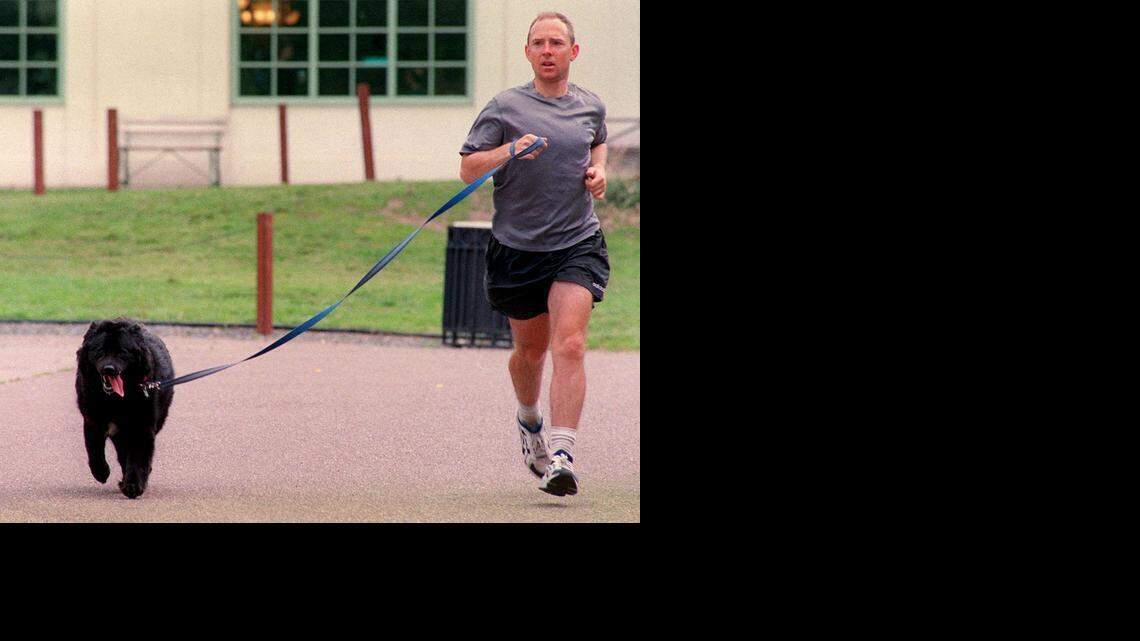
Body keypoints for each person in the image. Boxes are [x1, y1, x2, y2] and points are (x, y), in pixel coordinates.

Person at [458, 11, 609, 497]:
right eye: (539, 43)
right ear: (527, 52)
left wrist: (599, 172)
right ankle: (529, 423)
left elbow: (598, 143)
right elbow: (467, 169)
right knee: (530, 352)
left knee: (570, 344)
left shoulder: (590, 106)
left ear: (573, 51)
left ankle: (562, 455)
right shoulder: (504, 107)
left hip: (576, 242)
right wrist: (509, 151)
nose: (547, 50)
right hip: (517, 248)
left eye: (556, 42)